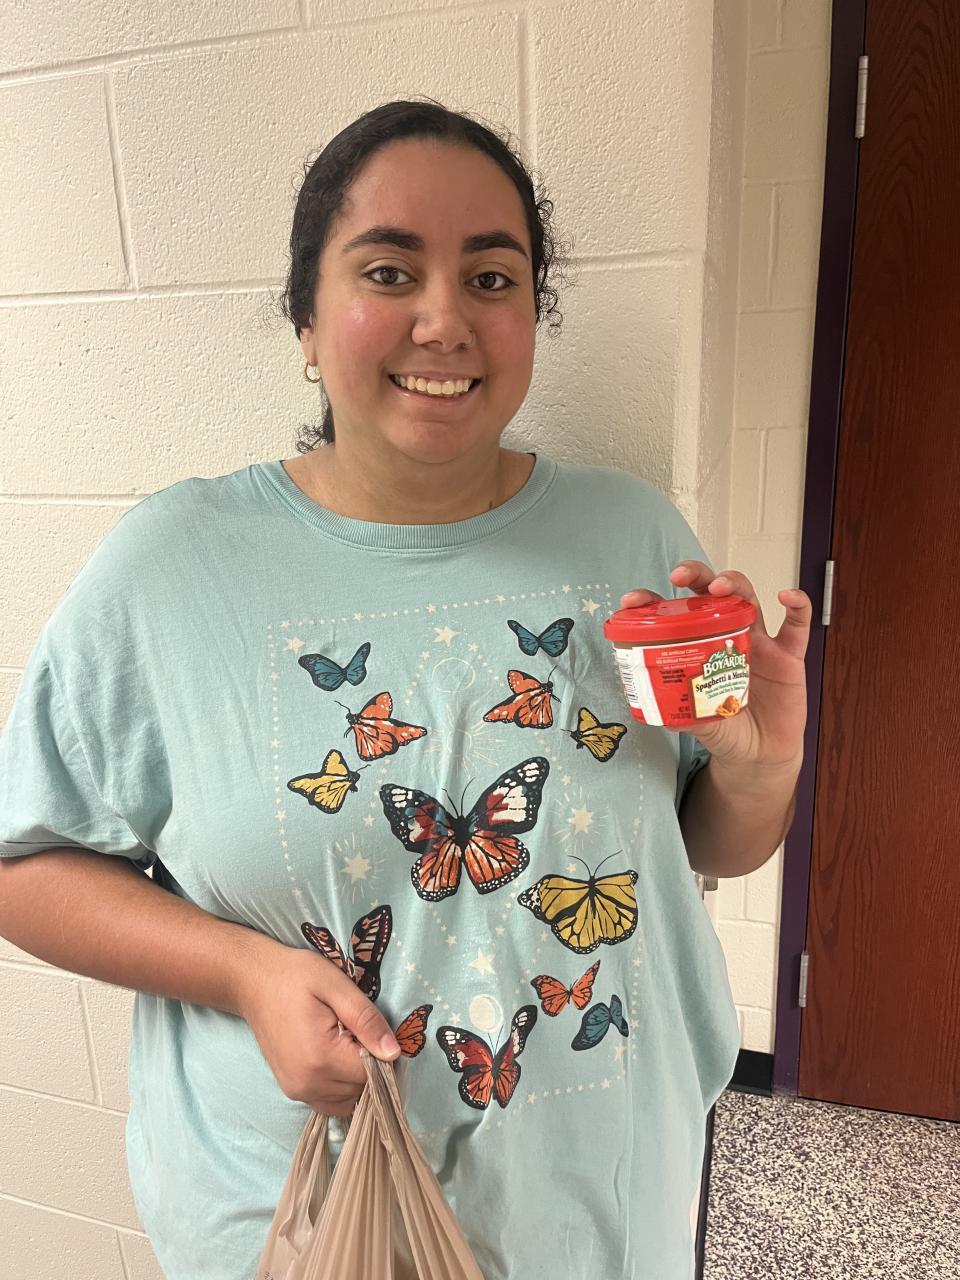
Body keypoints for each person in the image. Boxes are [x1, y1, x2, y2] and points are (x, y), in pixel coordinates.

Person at [0, 98, 811, 1279]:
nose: (446, 319)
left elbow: (711, 844)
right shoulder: (172, 569)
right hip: (315, 1217)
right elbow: (22, 865)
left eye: (492, 277)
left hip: (603, 1210)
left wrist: (763, 764)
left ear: (531, 315)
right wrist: (245, 971)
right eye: (389, 270)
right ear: (306, 317)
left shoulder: (633, 537)